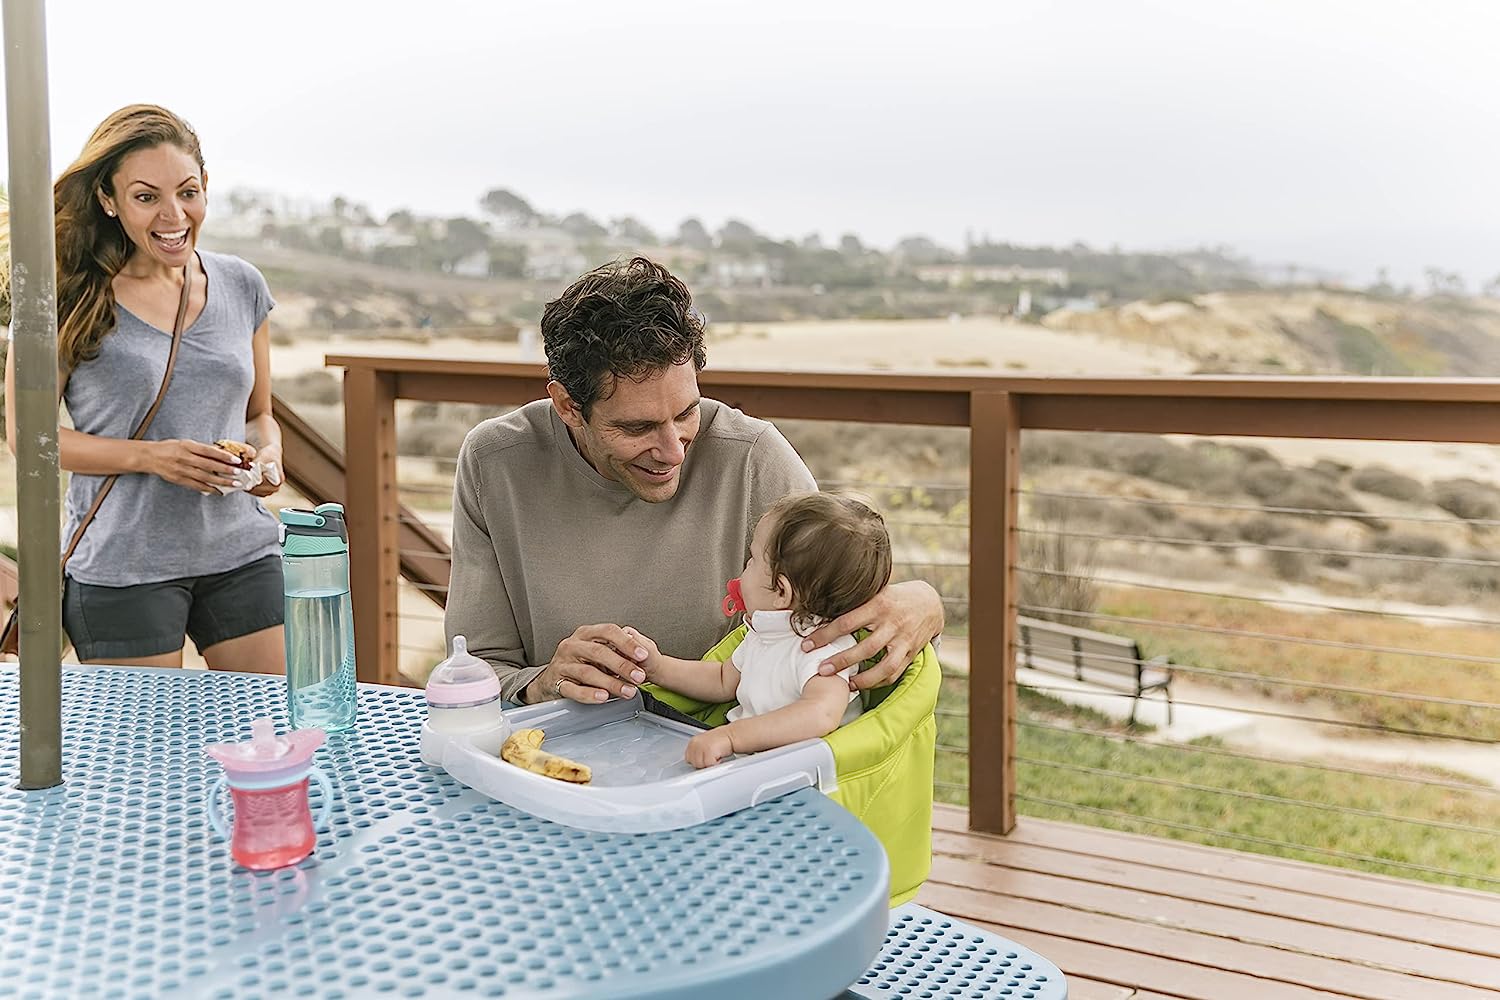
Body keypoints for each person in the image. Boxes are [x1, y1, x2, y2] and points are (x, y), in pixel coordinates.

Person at [445, 256, 943, 705]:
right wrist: (543, 683)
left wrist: (926, 603)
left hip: (727, 763)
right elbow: (477, 667)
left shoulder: (755, 459)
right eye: (637, 428)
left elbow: (843, 615)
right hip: (560, 765)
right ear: (568, 406)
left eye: (687, 412)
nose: (673, 449)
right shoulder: (495, 462)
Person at [2, 105, 285, 670]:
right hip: (122, 565)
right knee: (145, 756)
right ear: (109, 201)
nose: (173, 214)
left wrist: (269, 459)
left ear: (205, 186)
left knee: (273, 736)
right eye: (146, 196)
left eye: (186, 192)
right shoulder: (66, 295)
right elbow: (26, 436)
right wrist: (155, 458)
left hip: (242, 554)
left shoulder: (241, 284)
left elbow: (259, 414)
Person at [627, 491, 893, 768]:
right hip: (752, 770)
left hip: (794, 784)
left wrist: (731, 736)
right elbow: (722, 680)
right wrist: (657, 667)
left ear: (781, 591)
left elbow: (821, 714)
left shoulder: (823, 650)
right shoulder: (765, 634)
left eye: (752, 560)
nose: (745, 568)